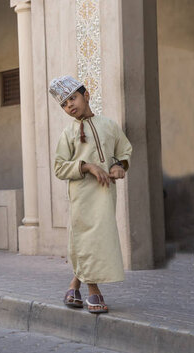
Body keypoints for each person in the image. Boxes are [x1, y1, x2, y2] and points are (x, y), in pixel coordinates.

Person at [49, 75, 132, 314]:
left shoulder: (109, 125)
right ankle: (93, 292)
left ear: (86, 95)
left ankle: (73, 287)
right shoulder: (68, 133)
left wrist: (118, 166)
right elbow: (59, 166)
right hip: (82, 195)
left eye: (72, 98)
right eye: (64, 104)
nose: (69, 106)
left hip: (105, 194)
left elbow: (124, 150)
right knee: (85, 239)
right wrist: (87, 166)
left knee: (98, 240)